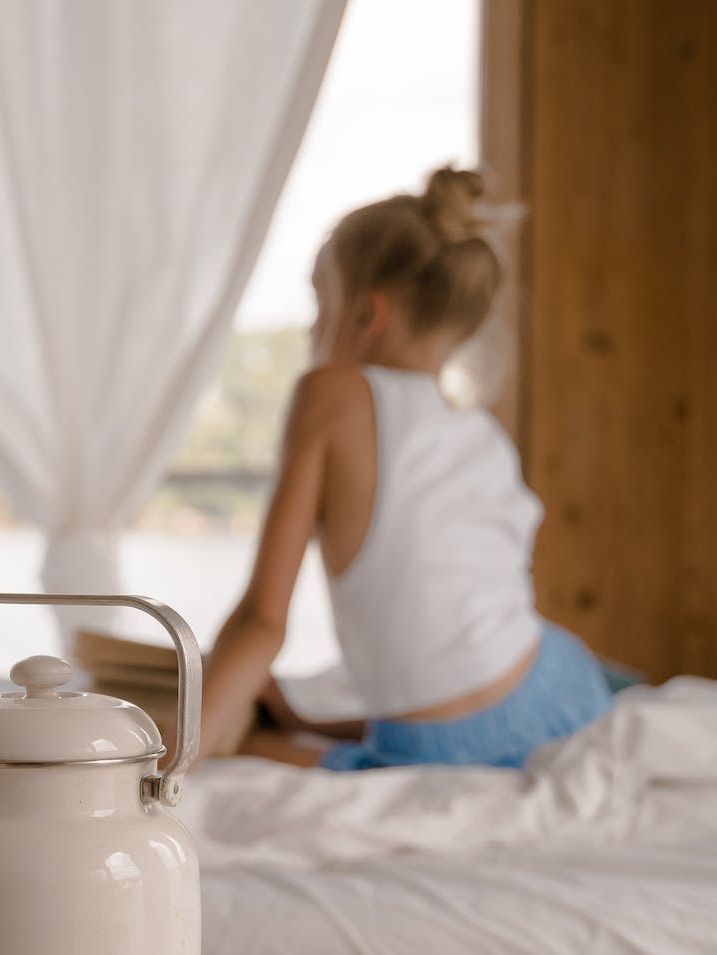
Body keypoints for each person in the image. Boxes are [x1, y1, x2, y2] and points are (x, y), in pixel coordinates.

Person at [197, 166, 612, 770]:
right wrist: (308, 721)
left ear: (368, 315)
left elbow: (263, 620)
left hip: (438, 739)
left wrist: (166, 768)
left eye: (320, 304)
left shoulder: (330, 394)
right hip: (563, 697)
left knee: (236, 748)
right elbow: (452, 659)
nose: (313, 328)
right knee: (276, 742)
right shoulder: (480, 436)